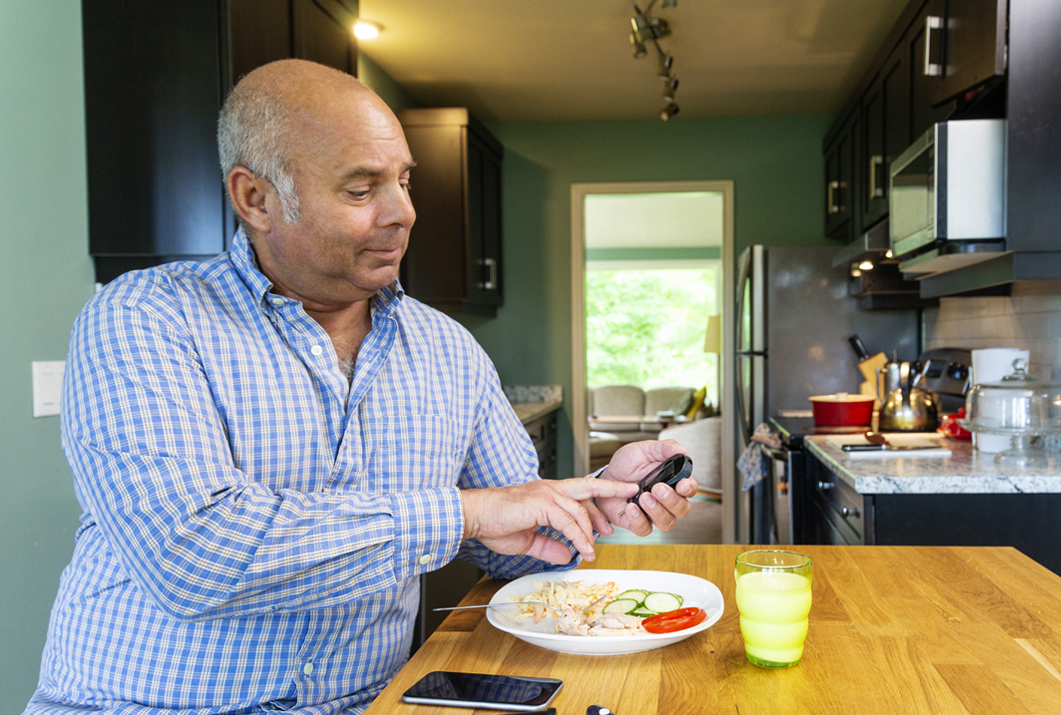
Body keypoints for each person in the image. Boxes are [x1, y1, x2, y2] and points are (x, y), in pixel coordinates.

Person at [26, 59, 698, 715]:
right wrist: (465, 513)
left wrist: (600, 500)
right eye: (361, 190)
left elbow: (518, 542)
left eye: (404, 180)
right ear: (256, 198)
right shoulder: (144, 317)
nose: (404, 211)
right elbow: (194, 557)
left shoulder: (448, 350)